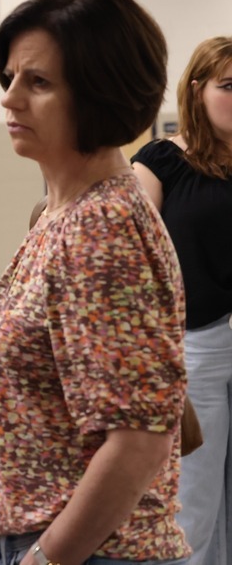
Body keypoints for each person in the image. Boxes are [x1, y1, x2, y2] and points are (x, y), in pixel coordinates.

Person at [0, 0, 190, 565]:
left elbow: (139, 438)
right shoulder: (60, 214)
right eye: (10, 78)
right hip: (44, 536)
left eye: (39, 82)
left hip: (90, 550)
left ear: (100, 95)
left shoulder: (102, 226)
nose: (10, 99)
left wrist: (48, 558)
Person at [131, 36, 232, 565]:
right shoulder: (162, 160)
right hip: (193, 344)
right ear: (196, 90)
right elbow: (128, 255)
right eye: (230, 86)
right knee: (192, 498)